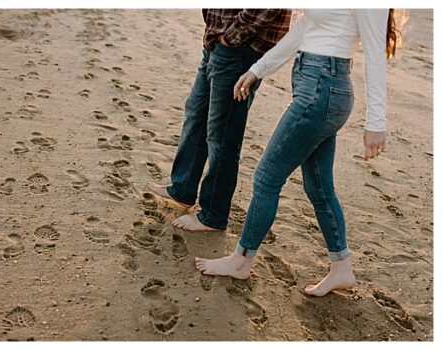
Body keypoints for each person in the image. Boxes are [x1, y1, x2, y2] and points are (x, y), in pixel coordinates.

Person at [195, 9, 401, 297]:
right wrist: (257, 69)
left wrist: (376, 123)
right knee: (318, 187)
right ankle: (342, 267)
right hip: (314, 86)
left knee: (267, 178)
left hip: (322, 89)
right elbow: (303, 29)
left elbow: (376, 56)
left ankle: (241, 261)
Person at [147, 9, 291, 232]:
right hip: (217, 42)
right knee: (196, 115)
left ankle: (213, 215)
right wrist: (218, 38)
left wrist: (231, 38)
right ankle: (182, 189)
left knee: (222, 135)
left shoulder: (235, 42)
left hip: (239, 47)